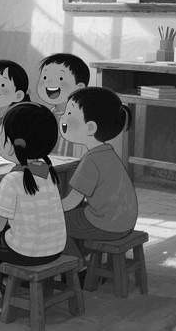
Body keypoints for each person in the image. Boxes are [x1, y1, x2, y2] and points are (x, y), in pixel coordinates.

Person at [0, 102, 67, 313]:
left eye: (2, 135)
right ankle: (4, 282)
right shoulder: (46, 170)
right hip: (56, 248)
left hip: (28, 252)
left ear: (14, 144)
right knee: (8, 232)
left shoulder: (12, 180)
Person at [59, 87, 138, 261]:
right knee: (74, 214)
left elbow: (72, 201)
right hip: (124, 221)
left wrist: (48, 207)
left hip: (107, 224)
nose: (62, 117)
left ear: (90, 127)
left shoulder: (90, 161)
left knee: (55, 221)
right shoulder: (107, 152)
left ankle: (75, 265)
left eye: (69, 113)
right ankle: (83, 257)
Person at [36, 53, 90, 157]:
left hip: (72, 160)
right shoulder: (50, 114)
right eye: (45, 77)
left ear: (79, 87)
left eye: (60, 78)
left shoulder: (80, 117)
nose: (49, 82)